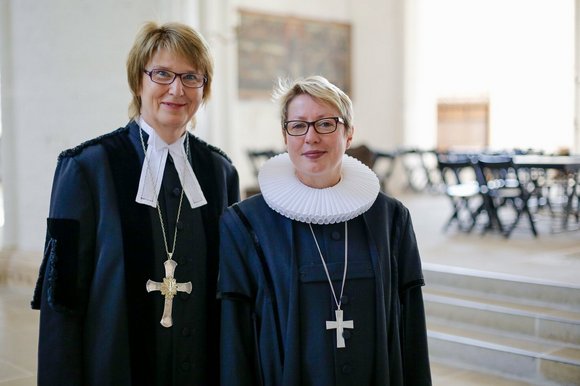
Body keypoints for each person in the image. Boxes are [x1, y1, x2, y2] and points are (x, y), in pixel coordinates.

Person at [31, 21, 239, 386]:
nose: (177, 89)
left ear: (204, 89)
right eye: (162, 74)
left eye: (192, 77)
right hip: (115, 365)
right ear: (137, 80)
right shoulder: (86, 168)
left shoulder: (219, 172)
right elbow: (60, 300)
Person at [218, 75, 431, 385]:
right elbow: (235, 343)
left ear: (348, 134)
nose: (311, 137)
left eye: (325, 124)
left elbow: (411, 332)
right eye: (298, 125)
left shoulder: (392, 220)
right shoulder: (246, 225)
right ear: (285, 135)